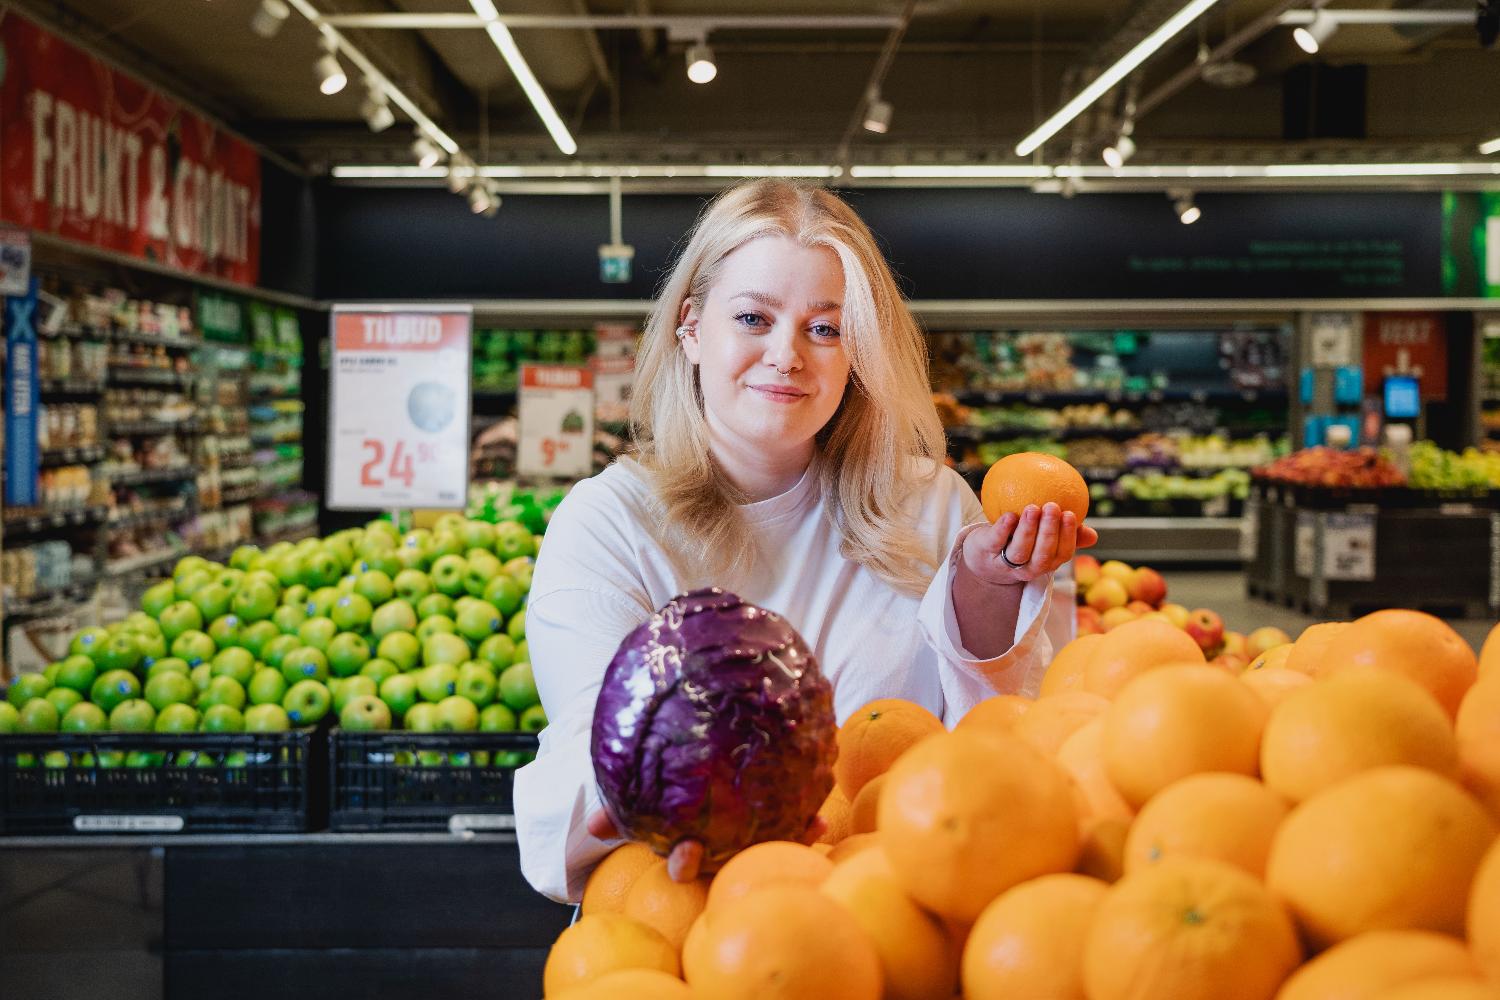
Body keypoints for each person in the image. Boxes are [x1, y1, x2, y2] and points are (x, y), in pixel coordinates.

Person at [514, 180, 1094, 903]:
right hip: (690, 919)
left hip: (894, 906)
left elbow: (996, 742)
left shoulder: (931, 503)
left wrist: (989, 587)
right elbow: (594, 744)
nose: (787, 355)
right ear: (691, 329)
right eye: (754, 318)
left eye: (825, 328)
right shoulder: (608, 523)